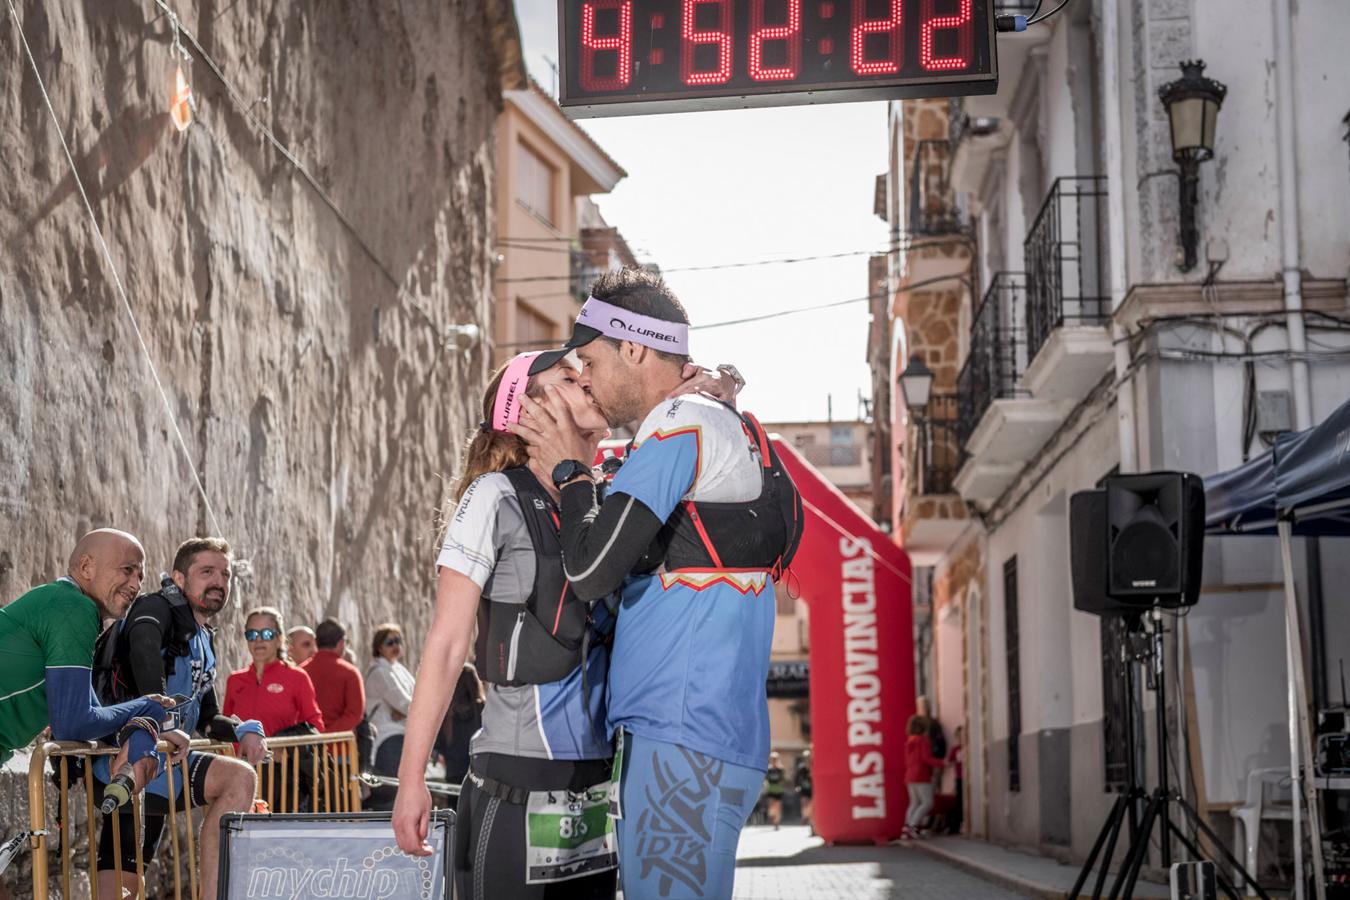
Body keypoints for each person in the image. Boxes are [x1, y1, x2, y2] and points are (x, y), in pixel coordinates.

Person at [392, 348, 738, 898]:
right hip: (517, 785)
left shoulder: (604, 500)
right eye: (569, 378)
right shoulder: (494, 496)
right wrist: (412, 782)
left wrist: (711, 383)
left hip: (596, 792)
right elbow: (446, 644)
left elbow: (670, 421)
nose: (588, 382)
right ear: (526, 412)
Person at [510, 268, 801, 900]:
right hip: (703, 733)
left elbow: (590, 570)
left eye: (589, 359)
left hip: (682, 733)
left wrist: (570, 468)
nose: (582, 375)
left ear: (635, 349)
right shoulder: (711, 421)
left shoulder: (680, 423)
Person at [92, 537, 267, 900]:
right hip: (127, 758)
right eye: (207, 572)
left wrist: (243, 730)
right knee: (121, 887)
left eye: (225, 574)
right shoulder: (155, 609)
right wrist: (165, 720)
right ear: (179, 578)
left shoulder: (203, 635)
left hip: (168, 764)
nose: (219, 581)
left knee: (239, 778)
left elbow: (208, 715)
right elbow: (141, 645)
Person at [0, 530, 174, 793]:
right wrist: (148, 707)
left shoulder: (59, 601)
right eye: (127, 570)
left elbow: (97, 715)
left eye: (140, 577)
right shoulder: (74, 608)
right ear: (86, 567)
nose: (136, 585)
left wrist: (146, 725)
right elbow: (72, 724)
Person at [223, 607, 324, 739]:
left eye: (267, 634)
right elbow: (225, 731)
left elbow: (316, 725)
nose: (258, 640)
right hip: (240, 759)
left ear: (279, 638)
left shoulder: (297, 677)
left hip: (279, 759)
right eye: (252, 634)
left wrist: (283, 749)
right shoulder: (234, 680)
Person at [365, 623, 416, 782]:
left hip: (403, 736)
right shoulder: (380, 672)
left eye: (398, 640)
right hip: (388, 738)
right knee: (394, 795)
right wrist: (407, 712)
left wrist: (405, 714)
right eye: (389, 642)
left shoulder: (399, 669)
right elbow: (407, 705)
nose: (395, 645)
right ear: (379, 647)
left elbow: (415, 701)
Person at [302, 618, 366, 737]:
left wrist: (316, 737)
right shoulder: (350, 672)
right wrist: (327, 736)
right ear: (341, 643)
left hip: (307, 747)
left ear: (316, 642)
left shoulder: (301, 671)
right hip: (339, 746)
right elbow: (354, 714)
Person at [435, 664, 484, 786]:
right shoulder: (482, 709)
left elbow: (439, 745)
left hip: (454, 772)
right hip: (479, 772)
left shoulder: (446, 712)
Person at [902, 714, 947, 839]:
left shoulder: (909, 741)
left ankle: (906, 827)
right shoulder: (922, 740)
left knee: (914, 803)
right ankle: (913, 826)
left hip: (909, 776)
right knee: (928, 802)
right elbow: (926, 758)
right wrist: (942, 763)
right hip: (921, 775)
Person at [947, 725, 965, 835]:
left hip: (966, 779)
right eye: (960, 736)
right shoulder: (955, 749)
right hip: (959, 778)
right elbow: (949, 761)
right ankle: (957, 825)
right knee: (959, 802)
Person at [763, 751, 786, 830]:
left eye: (775, 759)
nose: (774, 760)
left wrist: (781, 782)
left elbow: (783, 780)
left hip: (779, 790)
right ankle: (772, 816)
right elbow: (765, 779)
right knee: (771, 806)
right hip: (771, 790)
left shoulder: (781, 769)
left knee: (778, 807)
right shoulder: (768, 769)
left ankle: (776, 823)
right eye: (772, 759)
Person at [795, 749, 814, 832]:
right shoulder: (801, 769)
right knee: (804, 803)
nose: (807, 759)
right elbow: (796, 778)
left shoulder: (814, 766)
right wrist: (797, 786)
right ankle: (805, 816)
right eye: (806, 757)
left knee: (812, 807)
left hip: (812, 790)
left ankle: (811, 824)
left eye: (808, 757)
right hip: (804, 790)